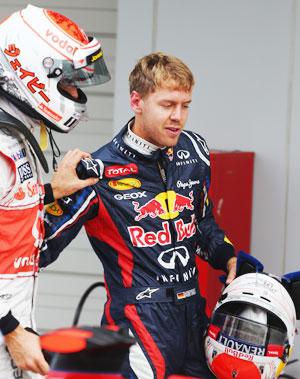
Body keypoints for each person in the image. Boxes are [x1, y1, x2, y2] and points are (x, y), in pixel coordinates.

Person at [40, 52, 237, 379]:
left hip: (194, 320)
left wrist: (228, 257)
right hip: (138, 322)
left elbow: (201, 224)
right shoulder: (96, 171)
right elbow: (38, 248)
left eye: (185, 105)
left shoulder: (195, 151)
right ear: (137, 101)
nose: (178, 117)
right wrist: (52, 192)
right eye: (167, 105)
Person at [0, 4, 110, 378]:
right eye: (68, 81)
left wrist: (51, 191)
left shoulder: (15, 129)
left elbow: (6, 207)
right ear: (32, 71)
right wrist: (11, 329)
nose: (76, 91)